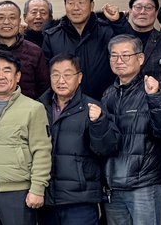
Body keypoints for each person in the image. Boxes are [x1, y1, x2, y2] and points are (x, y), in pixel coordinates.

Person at [101, 34, 161, 225]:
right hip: (113, 186)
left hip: (145, 185)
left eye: (126, 55)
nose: (119, 61)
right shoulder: (108, 94)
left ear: (141, 58)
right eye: (114, 55)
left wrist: (155, 97)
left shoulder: (153, 88)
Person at [0, 53, 51, 225]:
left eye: (7, 71)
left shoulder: (33, 108)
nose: (0, 76)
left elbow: (42, 151)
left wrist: (37, 189)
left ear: (17, 76)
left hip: (19, 193)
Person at [40, 54, 117, 225]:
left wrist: (99, 122)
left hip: (80, 199)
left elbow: (106, 148)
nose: (61, 80)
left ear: (79, 77)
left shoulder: (92, 108)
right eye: (55, 75)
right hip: (46, 199)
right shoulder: (39, 107)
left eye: (67, 75)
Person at [40, 0, 126, 99]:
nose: (76, 8)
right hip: (67, 104)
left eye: (81, 2)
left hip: (106, 101)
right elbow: (46, 76)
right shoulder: (52, 37)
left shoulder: (108, 31)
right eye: (71, 3)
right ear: (65, 5)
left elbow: (134, 48)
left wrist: (118, 22)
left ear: (92, 5)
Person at [0, 1, 49, 99]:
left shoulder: (35, 51)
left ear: (19, 21)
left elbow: (44, 87)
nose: (6, 22)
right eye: (1, 18)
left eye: (12, 18)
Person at [124, 0, 161, 78]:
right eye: (138, 7)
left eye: (148, 8)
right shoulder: (120, 40)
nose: (143, 12)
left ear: (156, 13)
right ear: (130, 11)